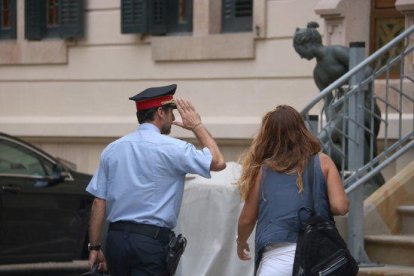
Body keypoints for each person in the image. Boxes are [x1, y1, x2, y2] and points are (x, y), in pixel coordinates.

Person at [86, 84, 226, 276]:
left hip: (116, 241)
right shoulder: (174, 148)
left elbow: (98, 202)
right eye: (171, 112)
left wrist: (94, 247)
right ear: (160, 112)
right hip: (149, 243)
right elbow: (218, 161)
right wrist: (197, 126)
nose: (174, 118)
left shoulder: (113, 149)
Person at [236, 105, 349, 275]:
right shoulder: (323, 162)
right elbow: (340, 207)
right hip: (318, 259)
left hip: (276, 260)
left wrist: (241, 242)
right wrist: (316, 202)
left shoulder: (263, 171)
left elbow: (247, 219)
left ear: (268, 136)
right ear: (302, 129)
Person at [293, 22, 383, 190]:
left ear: (308, 44)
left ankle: (363, 177)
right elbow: (327, 102)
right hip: (342, 115)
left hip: (362, 107)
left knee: (317, 142)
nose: (301, 57)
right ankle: (359, 176)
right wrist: (333, 122)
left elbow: (366, 70)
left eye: (300, 51)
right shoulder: (318, 73)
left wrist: (350, 94)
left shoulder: (336, 52)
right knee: (324, 145)